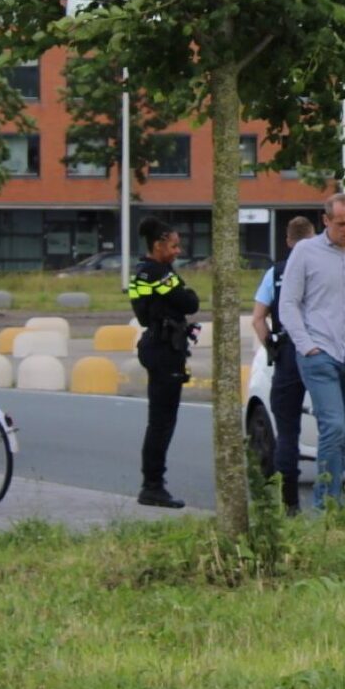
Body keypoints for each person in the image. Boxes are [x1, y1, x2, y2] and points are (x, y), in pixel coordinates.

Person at [279, 193, 345, 508]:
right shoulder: (305, 251)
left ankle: (334, 503)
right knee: (333, 426)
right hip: (319, 352)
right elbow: (288, 302)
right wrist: (306, 345)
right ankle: (326, 503)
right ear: (326, 221)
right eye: (341, 223)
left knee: (341, 432)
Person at [249, 215, 316, 515]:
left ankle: (289, 502)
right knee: (331, 424)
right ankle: (333, 497)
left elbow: (257, 318)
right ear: (313, 239)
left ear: (288, 241)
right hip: (319, 350)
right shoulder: (322, 268)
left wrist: (271, 348)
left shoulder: (275, 273)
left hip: (288, 353)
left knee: (288, 431)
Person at [129, 217, 198, 508]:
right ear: (158, 245)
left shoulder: (139, 274)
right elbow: (190, 302)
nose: (177, 251)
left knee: (158, 420)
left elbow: (143, 314)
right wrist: (182, 293)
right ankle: (153, 485)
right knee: (161, 423)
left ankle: (153, 482)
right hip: (165, 349)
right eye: (173, 246)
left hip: (155, 344)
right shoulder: (161, 273)